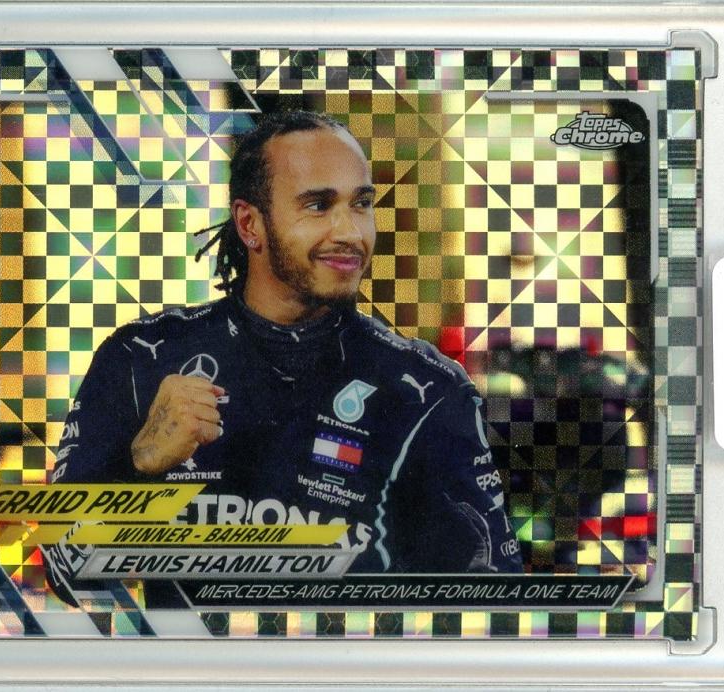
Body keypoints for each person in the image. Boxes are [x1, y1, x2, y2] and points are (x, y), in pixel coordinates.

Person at [46, 111, 521, 598]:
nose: (349, 231)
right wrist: (139, 466)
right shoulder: (141, 359)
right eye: (318, 205)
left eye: (361, 204)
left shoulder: (427, 391)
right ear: (249, 224)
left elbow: (491, 605)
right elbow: (66, 576)